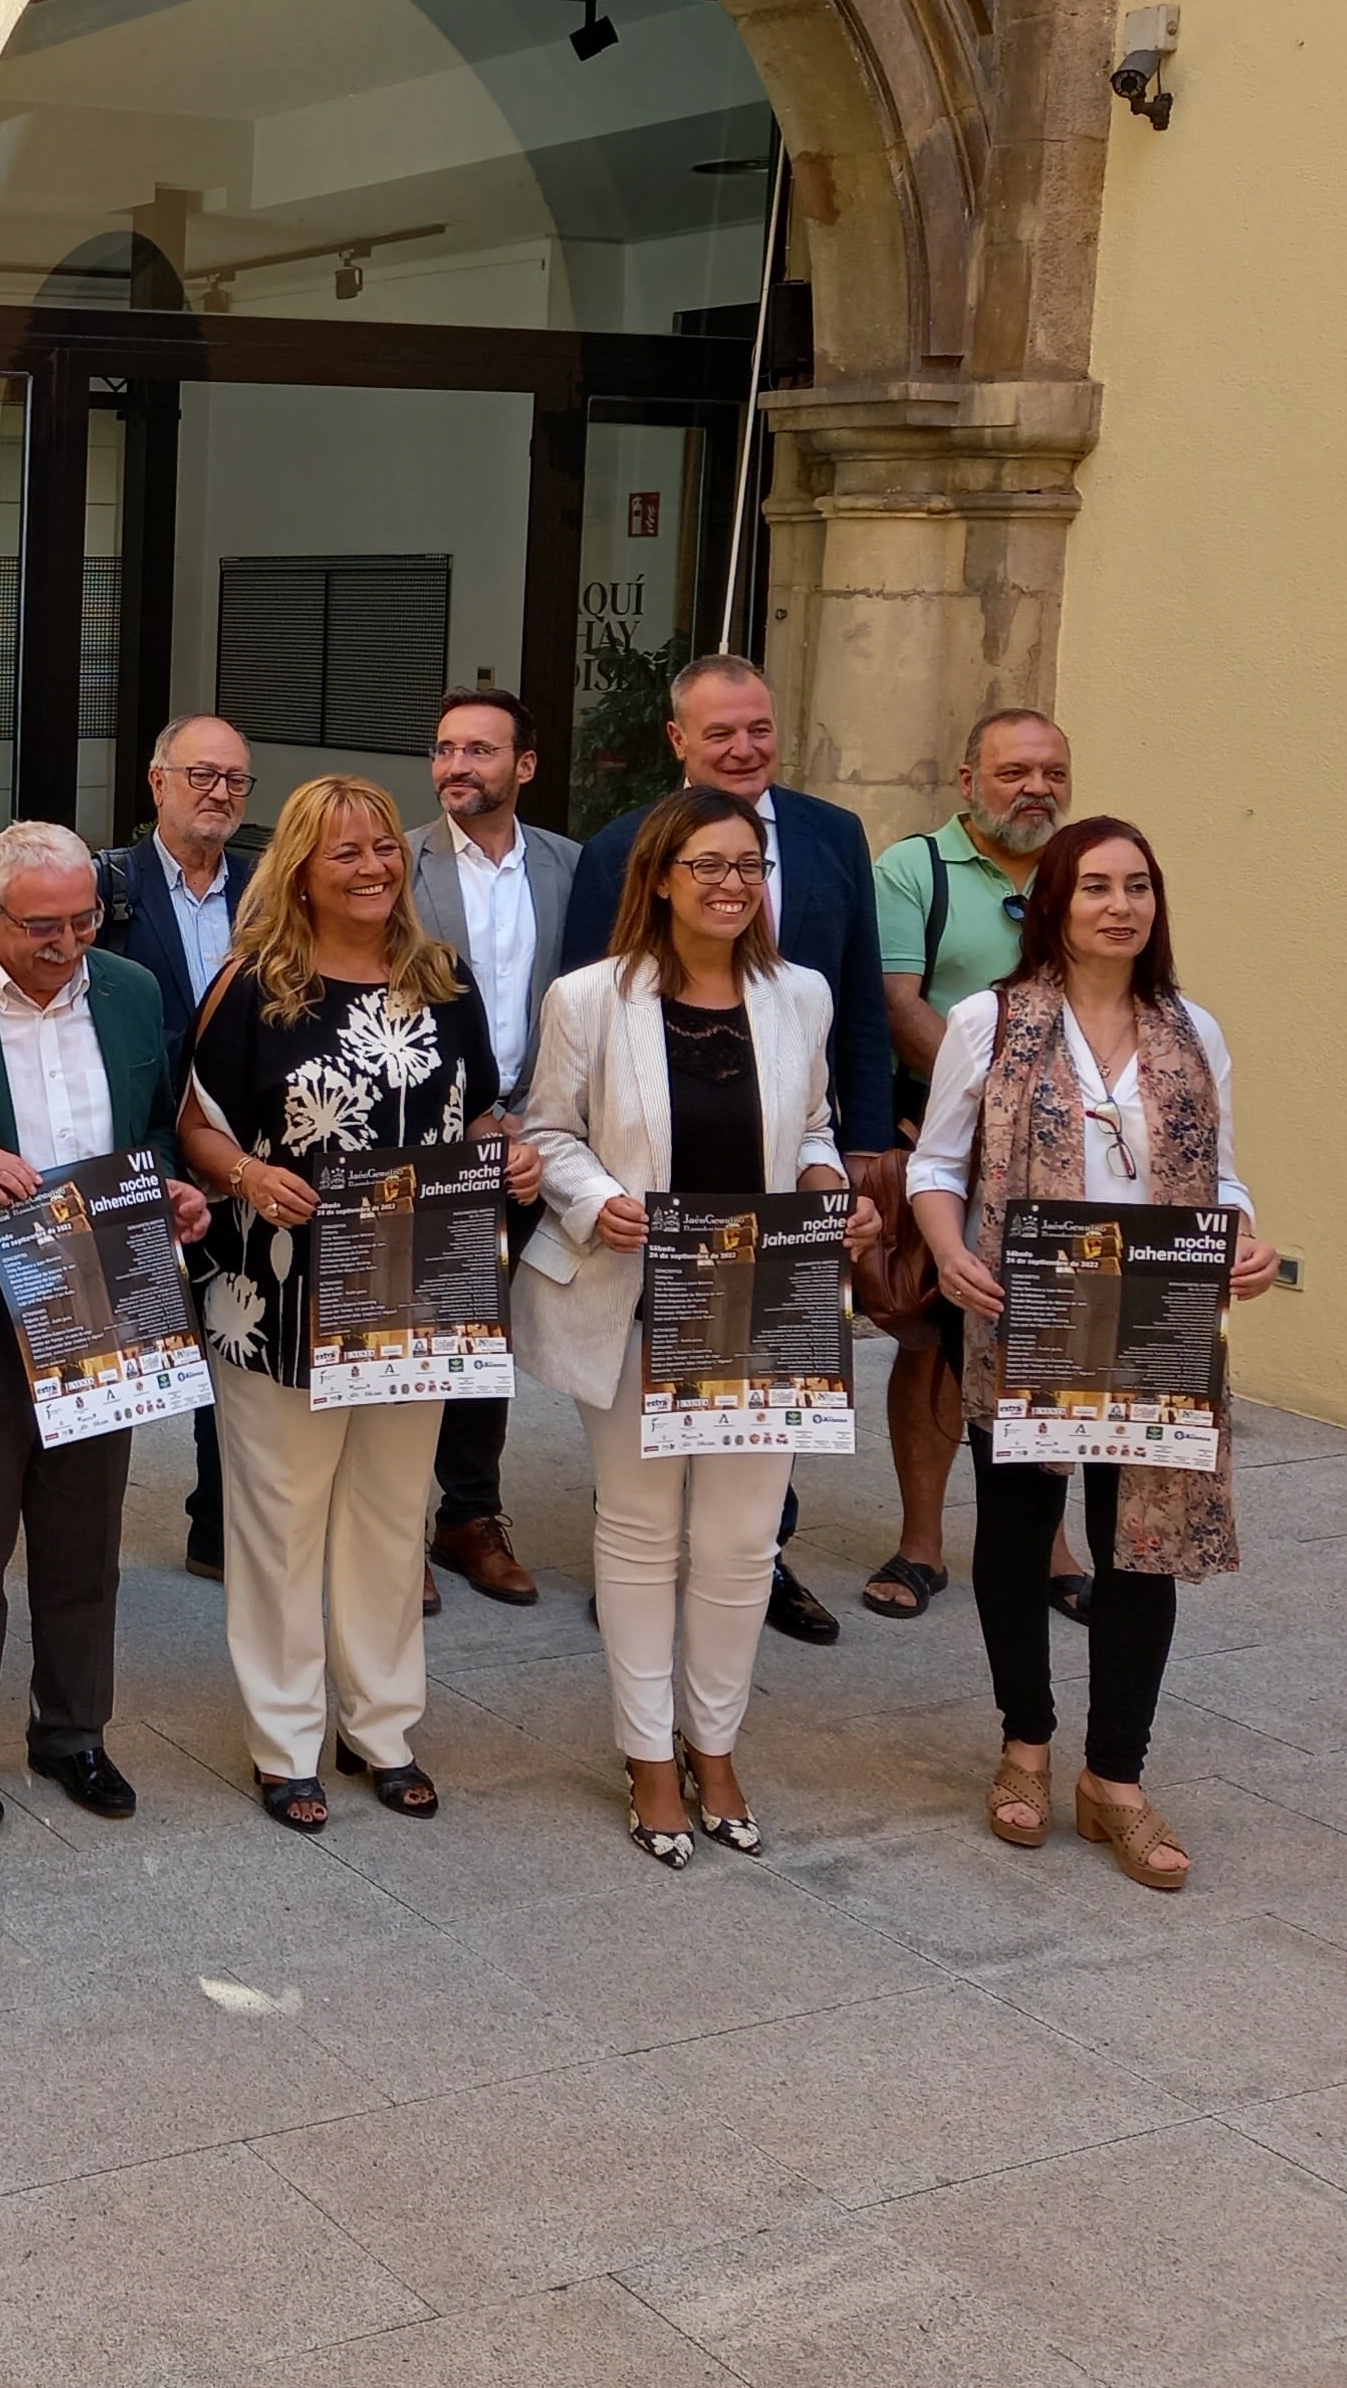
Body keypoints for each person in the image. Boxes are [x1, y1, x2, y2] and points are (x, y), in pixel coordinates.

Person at [912, 815, 1274, 1893]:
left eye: (1139, 887)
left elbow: (1222, 1178)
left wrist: (1244, 1238)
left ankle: (1113, 1776)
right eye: (1095, 887)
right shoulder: (987, 1024)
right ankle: (1025, 1745)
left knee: (1139, 1547)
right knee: (1019, 1538)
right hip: (1027, 1315)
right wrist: (945, 1252)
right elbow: (936, 1166)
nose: (1120, 906)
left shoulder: (1191, 1032)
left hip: (1152, 1324)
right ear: (1054, 904)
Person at [514, 788, 871, 1867]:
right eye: (706, 865)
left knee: (739, 1543)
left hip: (762, 1303)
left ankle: (714, 1746)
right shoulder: (588, 997)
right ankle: (647, 1758)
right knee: (636, 1535)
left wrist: (822, 1179)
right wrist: (590, 1199)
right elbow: (548, 1131)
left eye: (745, 865)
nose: (729, 884)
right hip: (634, 1300)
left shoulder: (797, 993)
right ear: (659, 879)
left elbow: (813, 1123)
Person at [177, 773, 537, 1828]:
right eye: (346, 852)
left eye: (384, 847)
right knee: (280, 1521)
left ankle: (379, 1726)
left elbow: (480, 1119)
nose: (374, 867)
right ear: (300, 868)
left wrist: (506, 1159)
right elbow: (193, 1125)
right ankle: (284, 1741)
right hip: (278, 1292)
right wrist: (243, 1175)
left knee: (388, 1517)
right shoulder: (252, 985)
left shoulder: (445, 981)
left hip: (417, 1294)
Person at [559, 654, 895, 1648]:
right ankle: (641, 1563)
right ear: (678, 742)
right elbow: (587, 1033)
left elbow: (859, 1004)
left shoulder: (833, 835)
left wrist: (857, 1157)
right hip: (657, 1200)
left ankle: (760, 1559)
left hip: (780, 1191)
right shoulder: (618, 848)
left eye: (758, 728)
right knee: (644, 1460)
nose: (744, 748)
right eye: (719, 733)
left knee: (755, 1445)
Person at [0, 821, 210, 1837]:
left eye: (82, 923)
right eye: (41, 929)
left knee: (85, 1545)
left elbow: (154, 1124)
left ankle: (74, 1733)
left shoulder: (127, 990)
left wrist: (166, 1186)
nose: (66, 946)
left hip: (105, 1305)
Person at [865, 708, 1090, 1623]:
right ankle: (922, 1544)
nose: (1034, 789)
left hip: (1071, 1157)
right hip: (945, 1144)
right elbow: (895, 1001)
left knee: (1055, 1342)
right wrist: (998, 1110)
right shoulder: (912, 870)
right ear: (968, 781)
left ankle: (1051, 1543)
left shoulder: (1088, 873)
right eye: (1012, 772)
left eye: (1052, 773)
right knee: (937, 1340)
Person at [409, 687, 580, 1609]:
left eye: (479, 750)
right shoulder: (394, 866)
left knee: (486, 1336)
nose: (456, 767)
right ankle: (393, 1524)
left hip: (541, 1136)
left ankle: (468, 1514)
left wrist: (538, 1121)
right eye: (443, 750)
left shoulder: (573, 868)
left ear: (526, 765)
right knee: (405, 1325)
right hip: (431, 1138)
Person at [101, 713, 255, 1584]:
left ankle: (221, 1524)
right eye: (200, 775)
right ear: (156, 783)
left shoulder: (268, 888)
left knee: (236, 1335)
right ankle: (88, 1538)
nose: (218, 793)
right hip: (145, 1148)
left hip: (241, 1154)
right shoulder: (110, 885)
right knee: (132, 1339)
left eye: (235, 780)